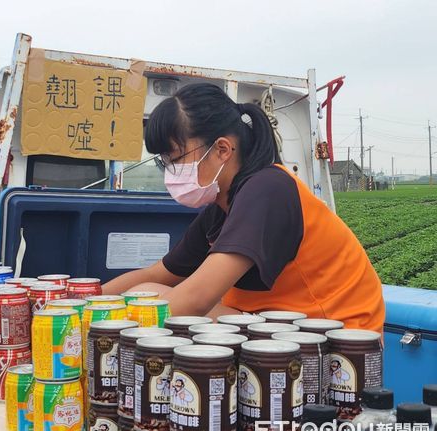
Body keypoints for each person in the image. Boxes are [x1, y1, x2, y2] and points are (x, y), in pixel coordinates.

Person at [102, 83, 384, 333]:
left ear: (222, 149)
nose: (170, 171)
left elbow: (196, 298)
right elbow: (157, 274)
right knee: (145, 292)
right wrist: (87, 299)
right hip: (279, 327)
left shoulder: (268, 190)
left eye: (175, 158)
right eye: (163, 161)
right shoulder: (221, 206)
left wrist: (103, 319)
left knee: (146, 298)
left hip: (332, 338)